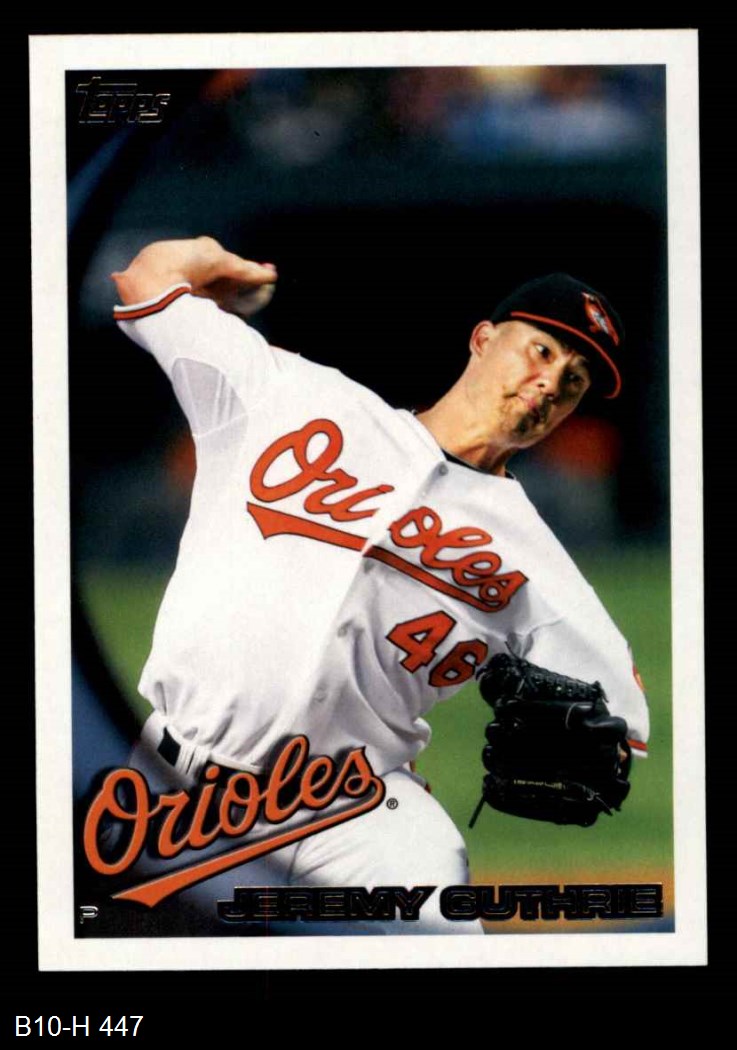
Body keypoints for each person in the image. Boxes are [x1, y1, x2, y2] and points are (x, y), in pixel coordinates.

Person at [107, 236, 649, 936]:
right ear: (483, 339)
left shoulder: (536, 562)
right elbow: (146, 280)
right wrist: (224, 263)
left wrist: (596, 745)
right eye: (541, 351)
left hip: (356, 812)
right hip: (176, 790)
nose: (550, 382)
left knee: (443, 933)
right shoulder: (294, 395)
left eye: (573, 381)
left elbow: (618, 724)